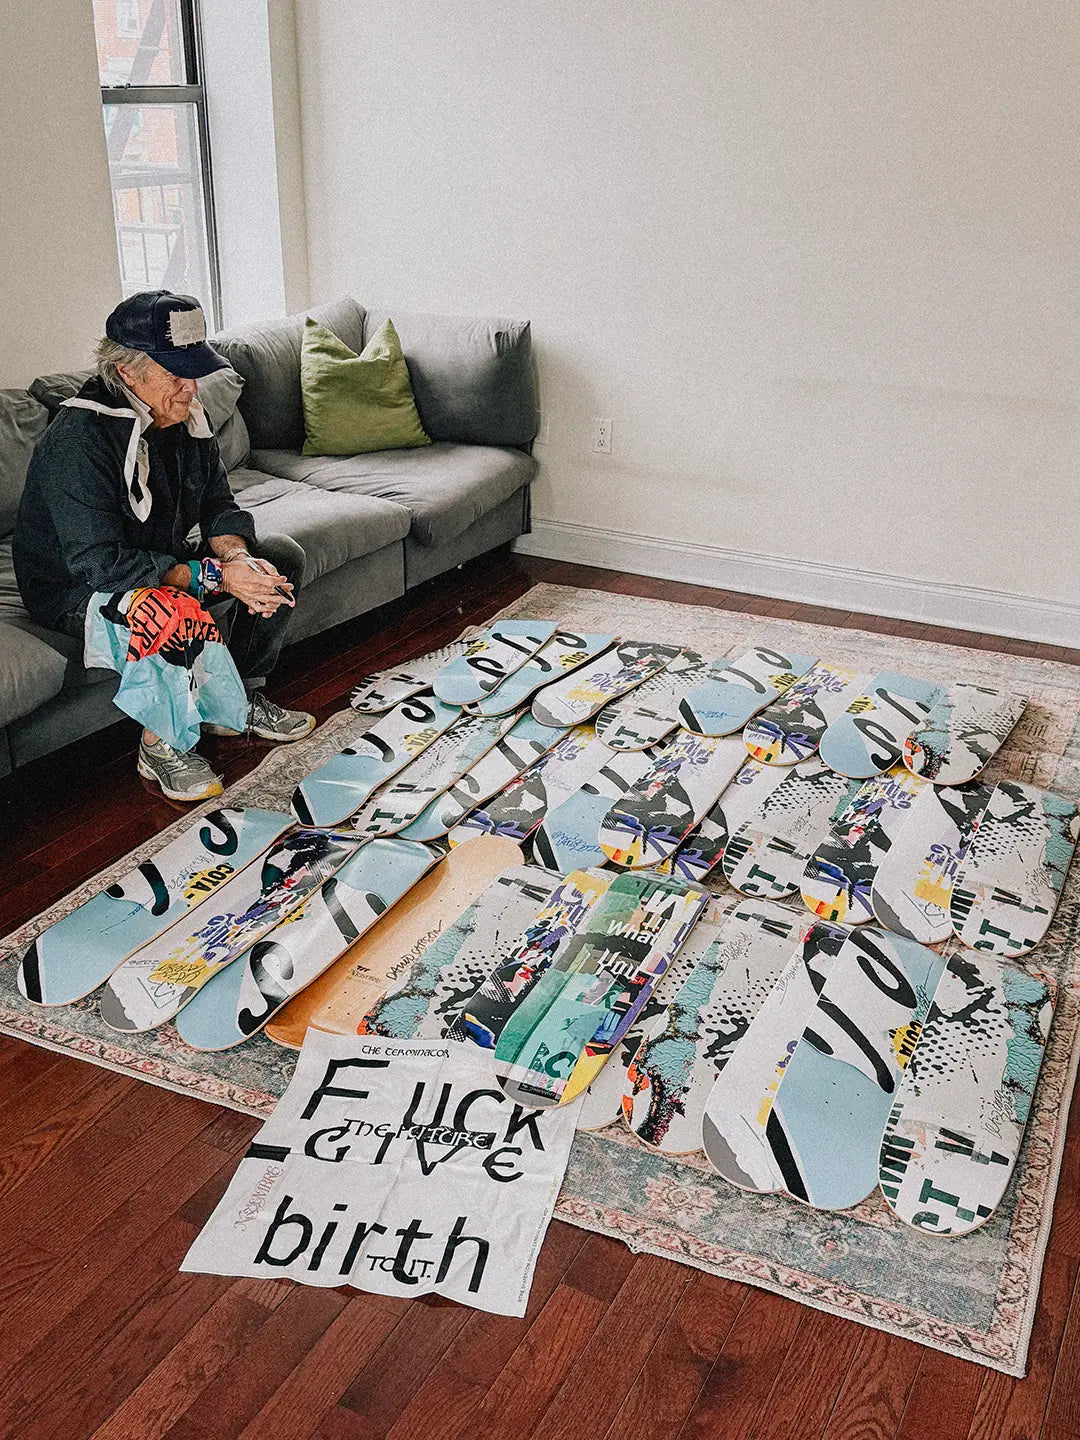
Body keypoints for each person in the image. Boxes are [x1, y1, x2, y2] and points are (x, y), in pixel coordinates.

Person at [13, 290, 315, 802]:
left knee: (278, 558)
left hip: (151, 559)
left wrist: (239, 561)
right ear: (127, 372)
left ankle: (237, 701)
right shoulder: (79, 439)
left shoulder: (183, 418)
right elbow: (100, 563)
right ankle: (159, 746)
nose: (190, 388)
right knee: (166, 609)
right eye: (175, 375)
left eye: (193, 372)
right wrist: (216, 578)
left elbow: (219, 505)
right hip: (76, 586)